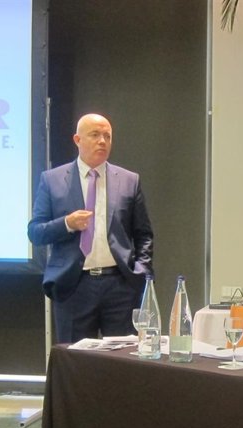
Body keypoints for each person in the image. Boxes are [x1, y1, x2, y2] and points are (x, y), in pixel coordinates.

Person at [28, 113, 153, 343]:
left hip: (120, 286)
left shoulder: (129, 180)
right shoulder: (52, 180)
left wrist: (142, 272)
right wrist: (67, 224)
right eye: (95, 135)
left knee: (122, 358)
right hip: (74, 285)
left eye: (107, 136)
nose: (102, 141)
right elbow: (35, 232)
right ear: (77, 140)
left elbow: (143, 234)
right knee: (77, 358)